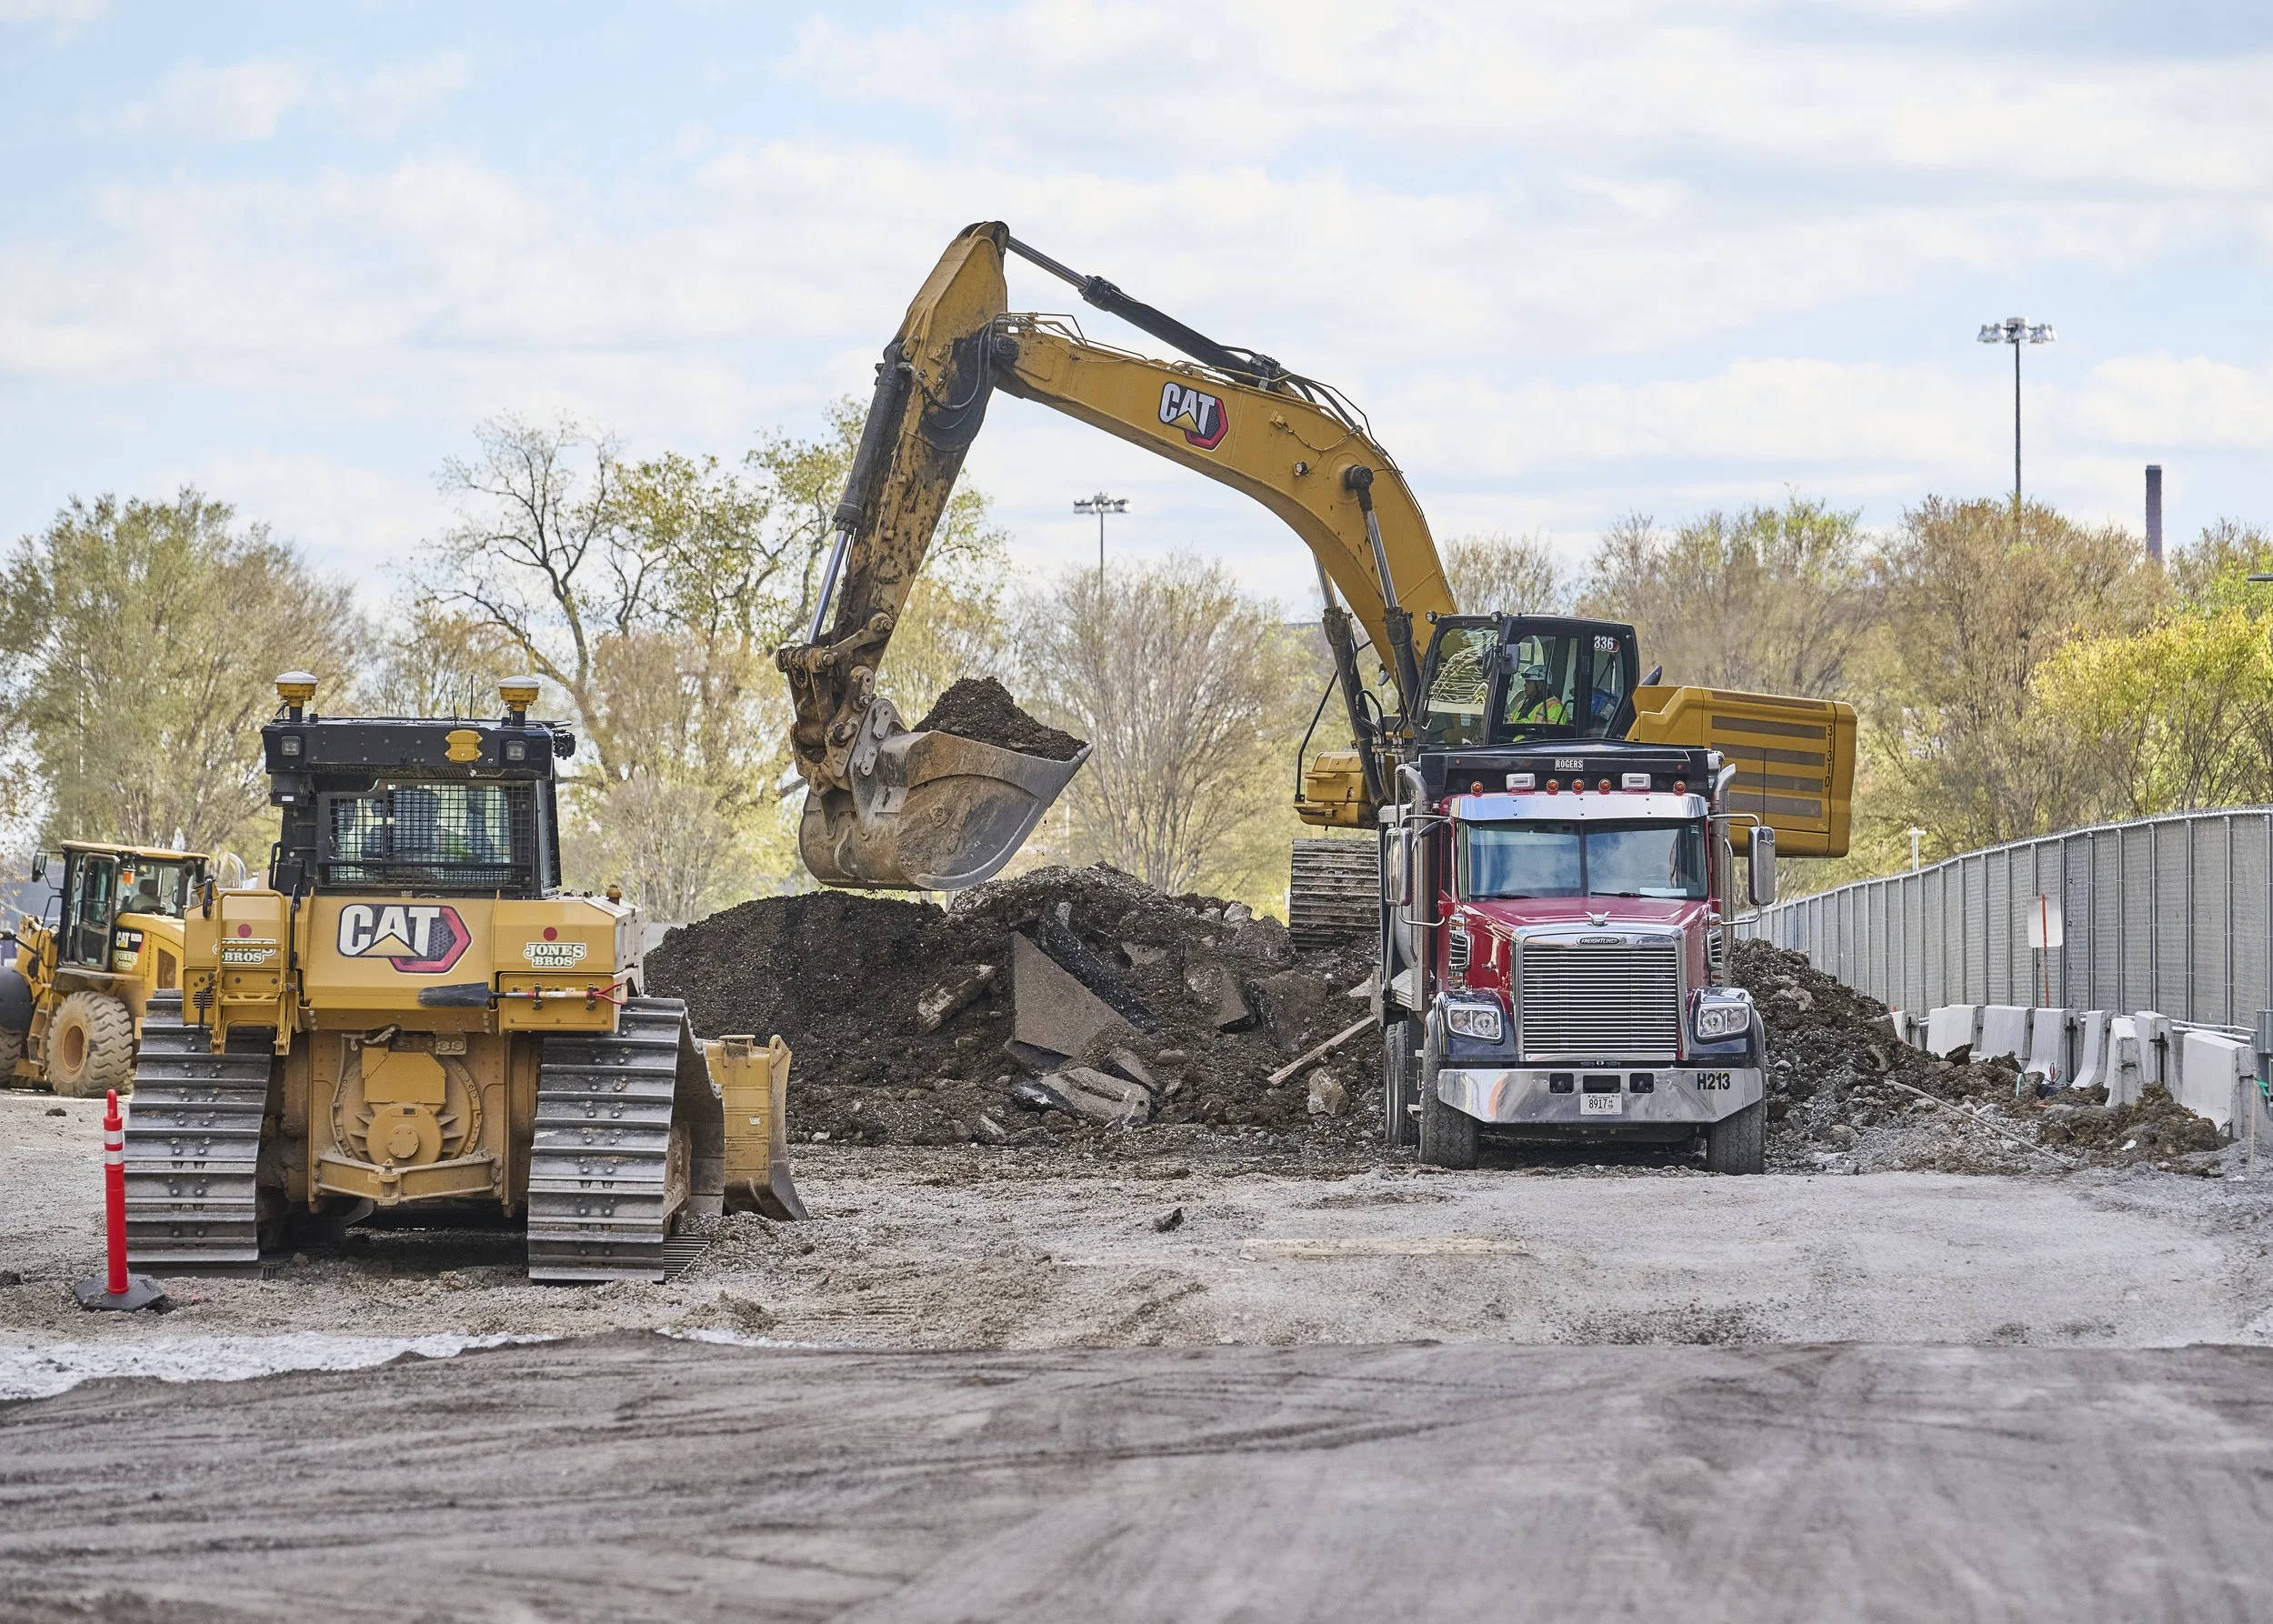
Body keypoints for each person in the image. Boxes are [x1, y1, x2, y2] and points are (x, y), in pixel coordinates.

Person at [1509, 663, 1569, 727]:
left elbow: (1551, 734)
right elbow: (1509, 725)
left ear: (1540, 684)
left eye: (1529, 682)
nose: (1525, 685)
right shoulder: (1520, 705)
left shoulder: (1555, 708)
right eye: (1525, 681)